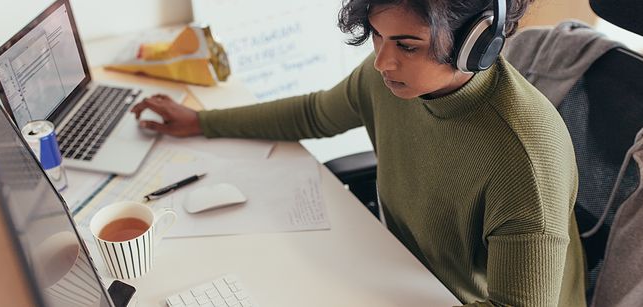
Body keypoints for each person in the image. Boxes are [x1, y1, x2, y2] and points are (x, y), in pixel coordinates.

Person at [131, 0, 586, 305]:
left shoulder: (526, 158)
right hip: (395, 265)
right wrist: (202, 122)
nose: (382, 62)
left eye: (407, 46)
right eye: (377, 37)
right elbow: (314, 114)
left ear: (477, 44)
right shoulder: (390, 78)